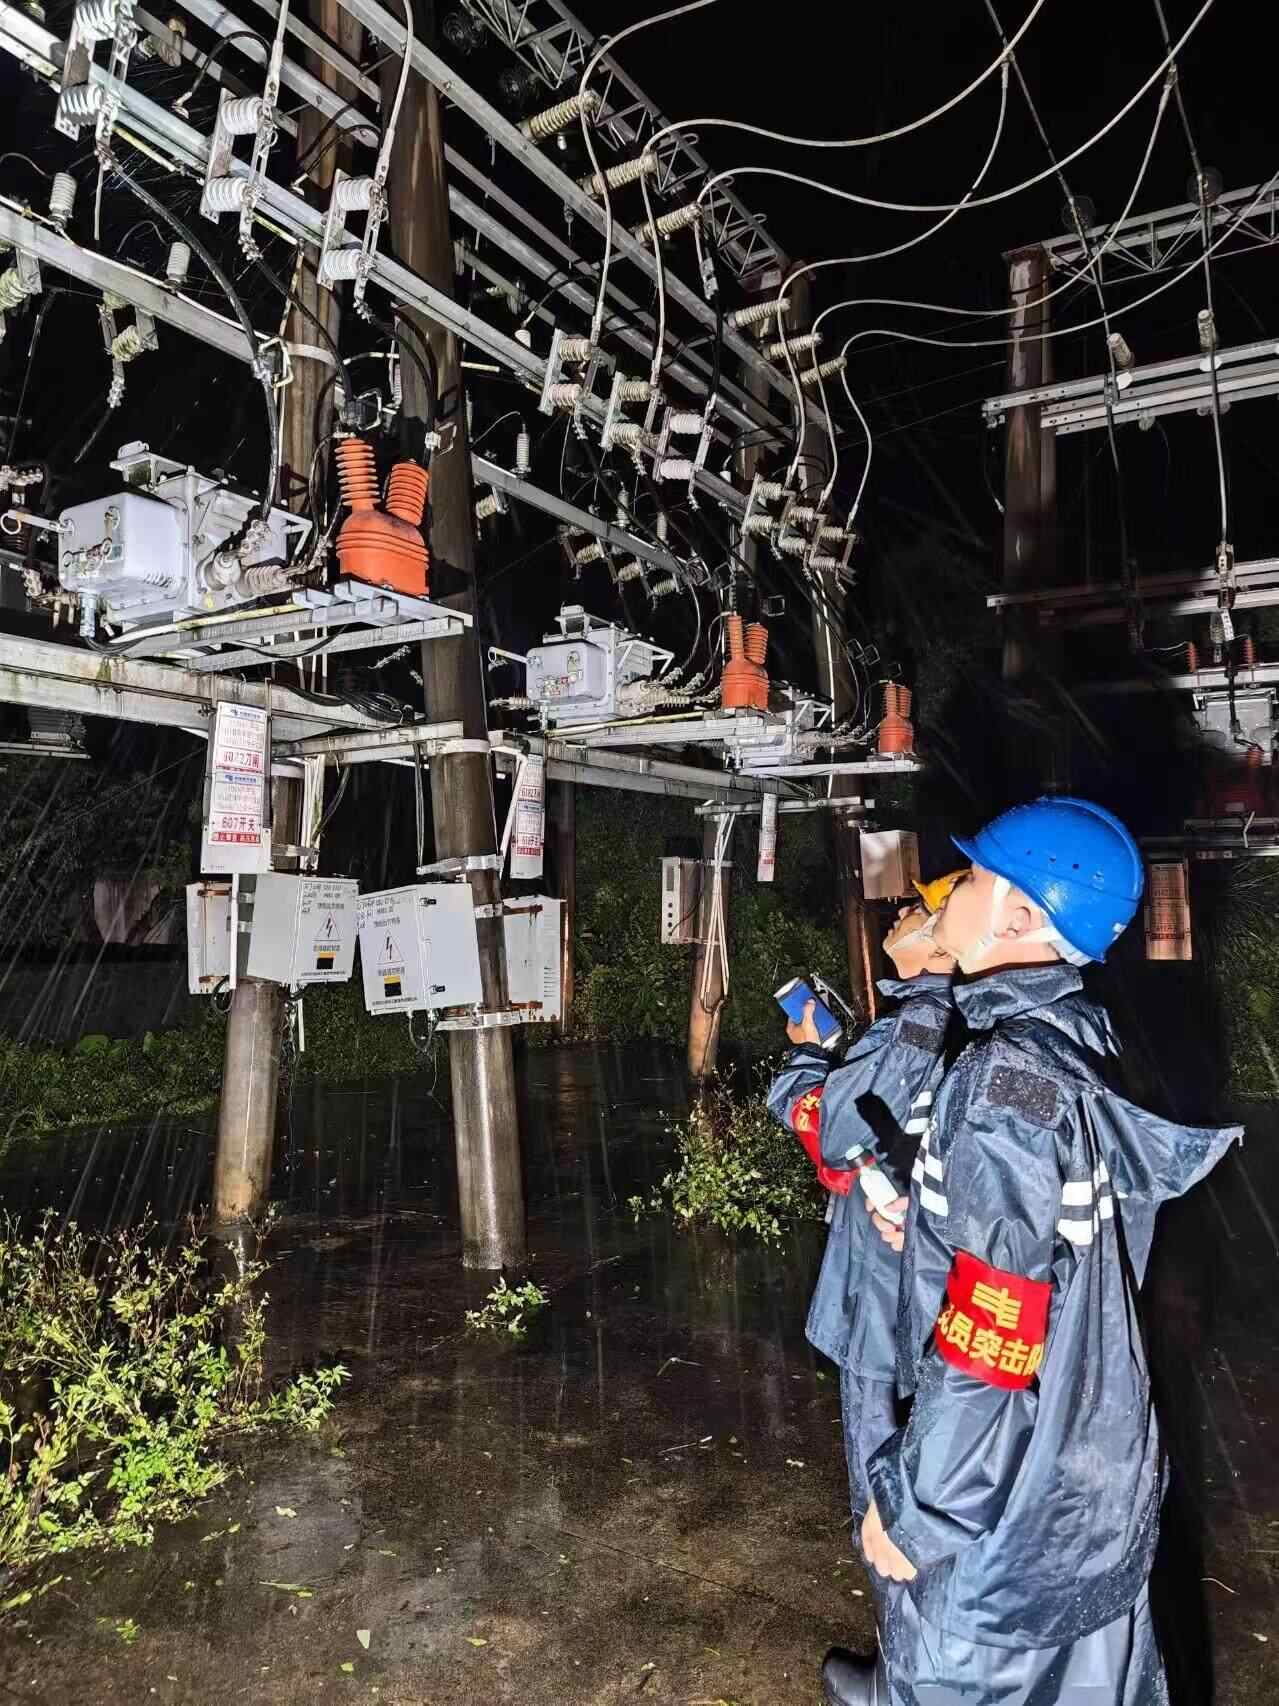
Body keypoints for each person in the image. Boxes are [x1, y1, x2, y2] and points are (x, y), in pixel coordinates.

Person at [858, 798, 1242, 1706]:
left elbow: (990, 1339)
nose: (948, 893)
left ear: (1019, 917)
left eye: (972, 878)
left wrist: (918, 1510)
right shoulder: (1076, 1037)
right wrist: (932, 1218)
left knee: (965, 1676)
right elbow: (1057, 1245)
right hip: (1096, 1472)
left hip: (1012, 1508)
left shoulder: (1003, 1085)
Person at [767, 872, 964, 1704]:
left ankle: (907, 1683)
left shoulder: (913, 1030)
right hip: (950, 1306)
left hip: (885, 1307)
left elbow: (820, 1122)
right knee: (951, 1488)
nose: (901, 911)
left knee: (886, 1496)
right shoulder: (978, 1025)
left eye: (921, 908)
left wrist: (808, 1051)